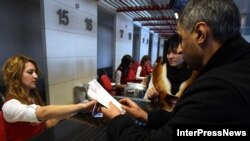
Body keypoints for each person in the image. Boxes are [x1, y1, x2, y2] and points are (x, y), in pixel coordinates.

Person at [100, 0, 250, 140]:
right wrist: (146, 116)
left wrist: (116, 120)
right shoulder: (237, 69)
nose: (180, 49)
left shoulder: (219, 89)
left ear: (200, 34)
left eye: (182, 38)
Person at [1, 54, 96, 141]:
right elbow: (44, 113)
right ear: (16, 76)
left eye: (35, 72)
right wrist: (82, 106)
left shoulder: (31, 99)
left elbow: (46, 123)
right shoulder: (10, 106)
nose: (36, 76)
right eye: (30, 72)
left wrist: (84, 119)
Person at [144, 33, 192, 101]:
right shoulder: (159, 71)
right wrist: (151, 96)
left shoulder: (194, 73)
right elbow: (147, 97)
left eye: (175, 52)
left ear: (185, 52)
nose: (170, 56)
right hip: (161, 111)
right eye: (168, 52)